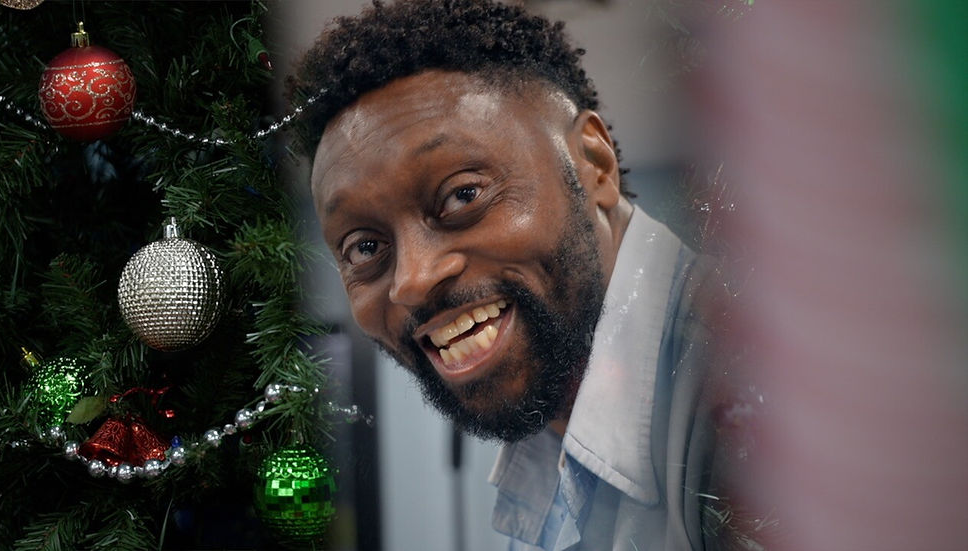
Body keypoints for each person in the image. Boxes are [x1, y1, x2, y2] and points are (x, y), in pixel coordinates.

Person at [290, 1, 728, 549]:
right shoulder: (552, 435)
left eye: (463, 195)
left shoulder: (749, 392)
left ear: (594, 164)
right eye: (366, 247)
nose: (412, 280)